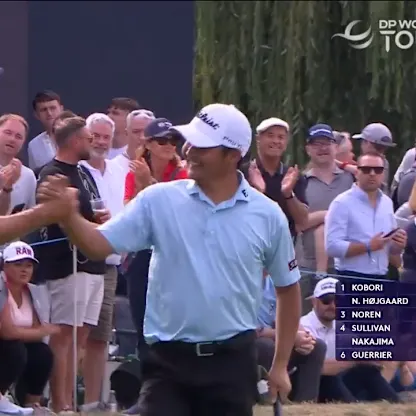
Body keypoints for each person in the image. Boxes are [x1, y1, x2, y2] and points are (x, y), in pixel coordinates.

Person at [37, 103, 302, 416]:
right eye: (189, 142)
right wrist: (68, 216)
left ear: (232, 156)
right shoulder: (158, 199)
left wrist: (280, 365)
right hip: (167, 365)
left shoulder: (267, 214)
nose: (188, 151)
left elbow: (288, 288)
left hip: (233, 364)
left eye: (201, 146)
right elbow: (98, 245)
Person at [36, 116, 107, 413]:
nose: (94, 143)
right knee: (64, 335)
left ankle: (70, 401)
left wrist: (100, 219)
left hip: (94, 263)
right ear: (75, 140)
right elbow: (51, 217)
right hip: (68, 264)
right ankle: (60, 402)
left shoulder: (83, 172)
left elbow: (88, 212)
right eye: (89, 138)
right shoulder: (51, 174)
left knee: (82, 335)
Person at [123, 117, 188, 363]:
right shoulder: (135, 170)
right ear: (148, 144)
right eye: (162, 141)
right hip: (141, 253)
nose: (169, 145)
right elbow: (130, 214)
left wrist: (148, 184)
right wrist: (143, 185)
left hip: (172, 255)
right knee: (142, 323)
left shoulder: (182, 173)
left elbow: (175, 211)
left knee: (171, 324)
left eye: (173, 140)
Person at [80, 113, 126, 408]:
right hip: (82, 263)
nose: (99, 142)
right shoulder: (78, 170)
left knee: (99, 336)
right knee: (77, 334)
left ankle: (93, 402)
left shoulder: (119, 169)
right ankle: (67, 398)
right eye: (94, 136)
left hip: (110, 264)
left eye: (105, 137)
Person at [325, 152, 407, 280]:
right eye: (366, 169)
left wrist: (398, 245)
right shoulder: (341, 203)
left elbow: (387, 247)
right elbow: (332, 247)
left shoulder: (387, 203)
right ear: (357, 172)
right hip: (351, 276)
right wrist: (367, 246)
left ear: (383, 174)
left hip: (381, 276)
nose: (372, 174)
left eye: (378, 170)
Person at [0, 241, 57, 415]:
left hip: (14, 343)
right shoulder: (0, 287)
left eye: (29, 265)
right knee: (14, 350)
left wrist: (37, 332)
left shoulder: (34, 291)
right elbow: (6, 332)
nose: (24, 270)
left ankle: (32, 404)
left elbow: (39, 333)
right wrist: (39, 331)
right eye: (18, 264)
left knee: (42, 353)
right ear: (4, 266)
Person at [28, 91, 64, 171]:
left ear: (61, 109)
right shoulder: (34, 145)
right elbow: (35, 175)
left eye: (53, 108)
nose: (49, 113)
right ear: (36, 115)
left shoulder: (77, 134)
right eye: (43, 110)